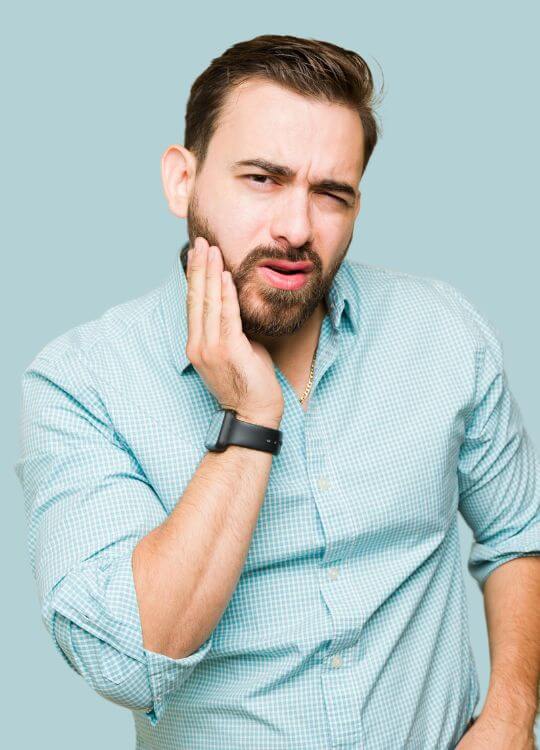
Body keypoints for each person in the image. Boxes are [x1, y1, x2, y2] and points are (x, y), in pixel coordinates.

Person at [15, 34, 539, 750]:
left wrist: (511, 714)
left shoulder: (444, 332)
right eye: (262, 178)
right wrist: (249, 419)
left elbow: (519, 538)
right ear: (182, 181)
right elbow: (128, 662)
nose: (296, 229)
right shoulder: (82, 385)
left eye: (331, 194)